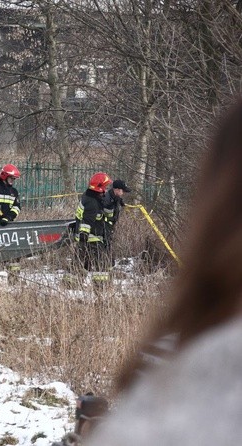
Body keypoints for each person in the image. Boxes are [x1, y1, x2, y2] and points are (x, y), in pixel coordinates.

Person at [85, 99, 242, 445]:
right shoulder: (95, 200)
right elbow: (92, 224)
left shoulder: (187, 365)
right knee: (96, 269)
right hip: (95, 244)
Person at [74, 172, 113, 285]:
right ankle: (101, 285)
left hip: (86, 238)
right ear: (99, 188)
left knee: (82, 262)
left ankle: (72, 283)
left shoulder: (89, 196)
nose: (106, 189)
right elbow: (87, 220)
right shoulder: (92, 202)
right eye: (105, 187)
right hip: (91, 238)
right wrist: (84, 235)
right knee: (102, 262)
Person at [102, 179, 131, 267]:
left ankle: (107, 264)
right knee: (105, 245)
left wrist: (119, 202)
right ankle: (107, 265)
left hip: (109, 225)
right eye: (123, 191)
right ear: (117, 190)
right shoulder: (107, 199)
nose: (123, 193)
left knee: (107, 244)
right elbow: (106, 213)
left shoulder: (115, 197)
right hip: (103, 226)